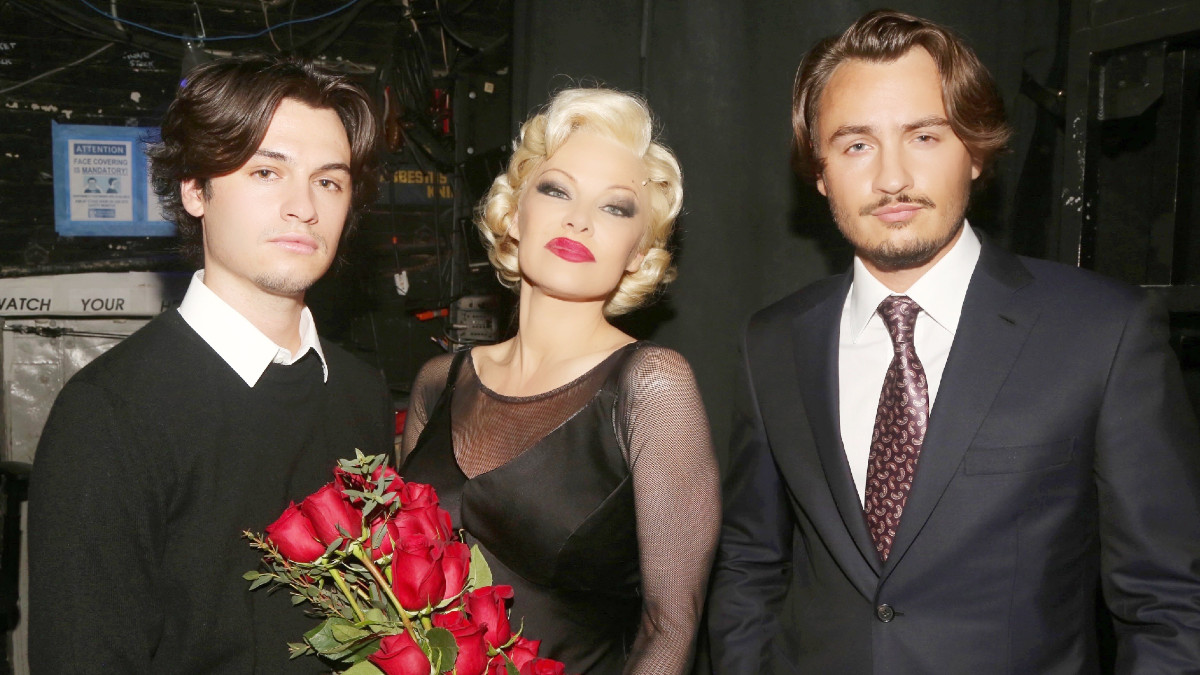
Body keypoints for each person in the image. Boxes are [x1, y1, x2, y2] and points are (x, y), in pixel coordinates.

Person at [707, 9, 1200, 673]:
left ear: (975, 150)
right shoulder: (772, 342)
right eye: (856, 144)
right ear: (820, 172)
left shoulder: (1103, 332)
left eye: (925, 137)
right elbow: (749, 565)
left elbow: (1168, 601)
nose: (891, 178)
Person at [28, 55, 395, 674]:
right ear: (196, 190)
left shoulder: (360, 392)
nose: (303, 206)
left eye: (329, 181)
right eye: (266, 171)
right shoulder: (111, 413)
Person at [399, 88, 720, 674]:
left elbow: (670, 633)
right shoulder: (438, 382)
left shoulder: (651, 386)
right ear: (514, 215)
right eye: (556, 190)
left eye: (616, 208)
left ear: (637, 251)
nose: (579, 218)